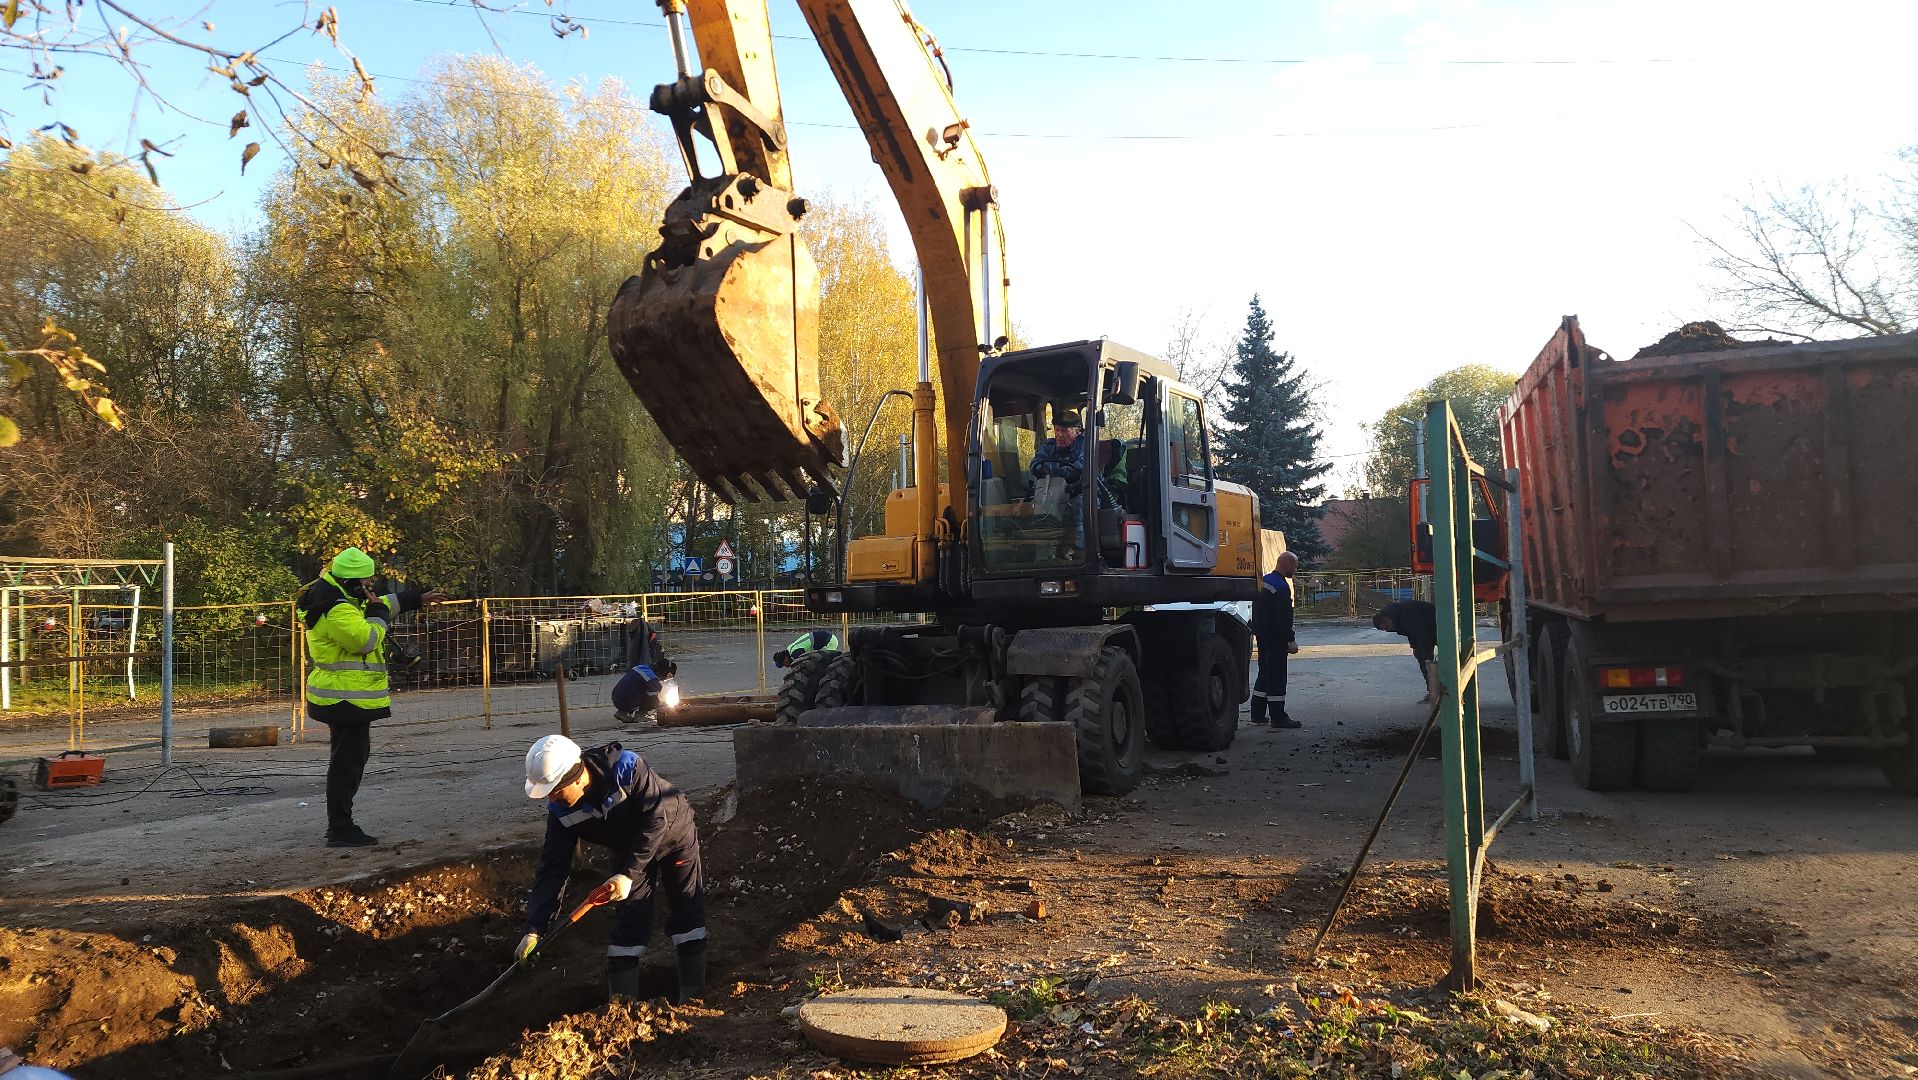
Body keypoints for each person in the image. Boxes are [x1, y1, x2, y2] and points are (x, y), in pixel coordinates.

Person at [519, 734, 708, 1003]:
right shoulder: (560, 812)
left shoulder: (627, 769)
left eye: (555, 791)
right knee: (629, 920)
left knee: (685, 907)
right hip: (626, 848)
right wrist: (535, 928)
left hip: (673, 836)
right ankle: (621, 1007)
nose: (551, 799)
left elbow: (655, 822)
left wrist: (629, 873)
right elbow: (552, 867)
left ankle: (693, 996)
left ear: (576, 777)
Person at [298, 547, 444, 848]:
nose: (370, 587)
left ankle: (340, 825)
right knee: (347, 764)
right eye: (366, 582)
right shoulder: (335, 609)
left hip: (345, 696)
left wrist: (414, 599)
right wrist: (379, 615)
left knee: (351, 758)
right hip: (345, 698)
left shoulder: (339, 597)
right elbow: (366, 638)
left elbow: (375, 605)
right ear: (352, 583)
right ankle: (340, 829)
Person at [1249, 551, 1302, 728]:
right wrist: (1290, 640)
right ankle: (1278, 717)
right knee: (1277, 677)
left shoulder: (1264, 582)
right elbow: (1283, 617)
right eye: (1295, 566)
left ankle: (1257, 713)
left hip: (1262, 636)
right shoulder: (1281, 587)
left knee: (1264, 673)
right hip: (1276, 639)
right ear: (1288, 564)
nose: (1295, 569)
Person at [1374, 599, 1441, 704]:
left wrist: (1424, 652)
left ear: (1388, 619)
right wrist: (1415, 647)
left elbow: (1422, 633)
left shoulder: (1406, 616)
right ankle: (1433, 692)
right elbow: (1411, 633)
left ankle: (1443, 691)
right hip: (1428, 628)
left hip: (1438, 624)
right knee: (1422, 657)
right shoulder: (1396, 617)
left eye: (1387, 627)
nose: (1388, 630)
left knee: (1440, 658)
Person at [611, 620, 677, 721]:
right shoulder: (652, 679)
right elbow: (653, 699)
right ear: (664, 671)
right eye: (668, 676)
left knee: (642, 689)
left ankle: (622, 712)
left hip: (616, 698)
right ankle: (641, 715)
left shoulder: (643, 668)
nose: (666, 679)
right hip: (626, 700)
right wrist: (663, 705)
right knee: (653, 692)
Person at [772, 628, 840, 670]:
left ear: (785, 659)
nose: (786, 667)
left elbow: (804, 664)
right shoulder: (790, 649)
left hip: (830, 641)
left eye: (784, 664)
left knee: (825, 665)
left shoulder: (795, 653)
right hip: (827, 638)